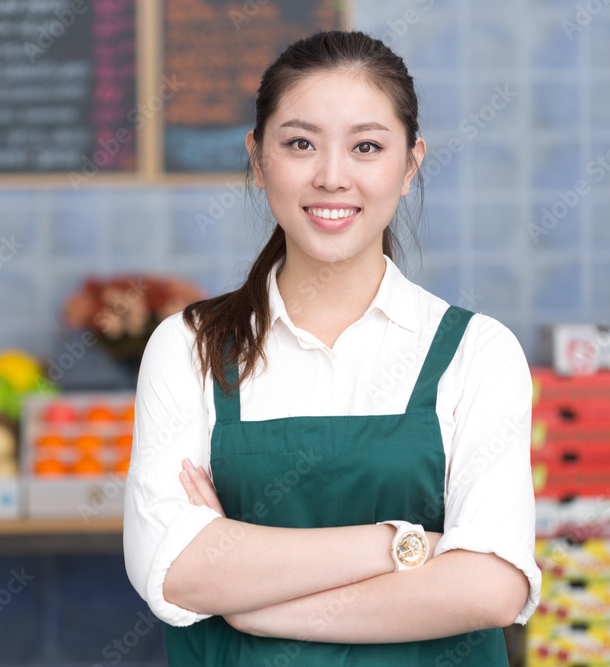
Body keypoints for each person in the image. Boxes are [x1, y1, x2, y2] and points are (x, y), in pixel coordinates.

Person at [123, 30, 540, 665]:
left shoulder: (478, 352)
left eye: (367, 146)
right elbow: (173, 568)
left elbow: (491, 588)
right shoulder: (189, 347)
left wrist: (251, 603)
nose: (331, 177)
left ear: (410, 166)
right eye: (299, 144)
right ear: (259, 159)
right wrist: (404, 544)